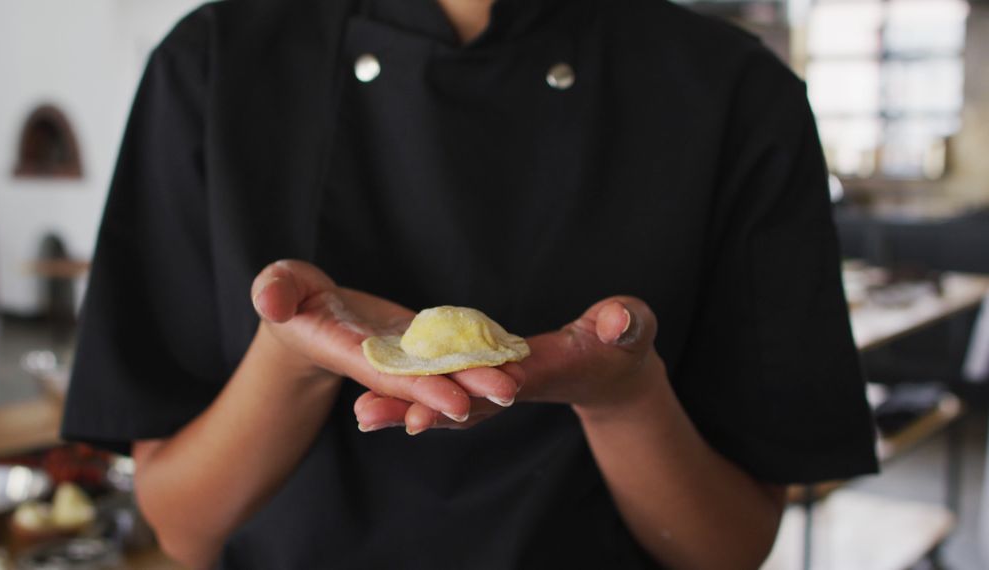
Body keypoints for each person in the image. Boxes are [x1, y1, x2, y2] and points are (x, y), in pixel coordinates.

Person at [61, 0, 880, 567]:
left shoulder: (732, 90)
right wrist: (294, 360)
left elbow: (730, 548)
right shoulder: (213, 67)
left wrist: (625, 397)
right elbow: (181, 525)